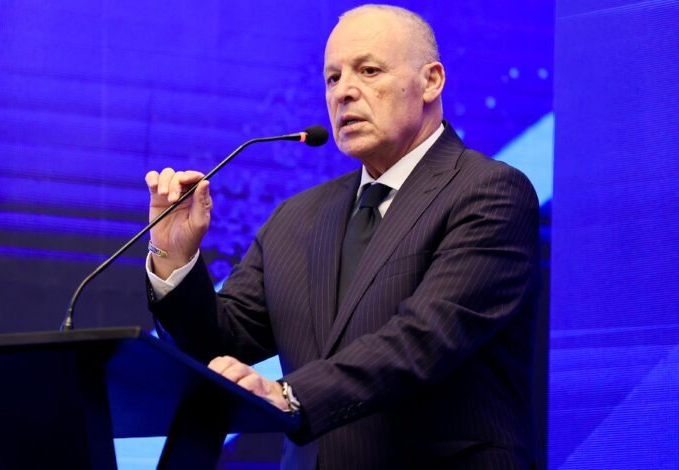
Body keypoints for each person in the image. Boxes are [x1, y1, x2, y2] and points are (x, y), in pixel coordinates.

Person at [144, 4, 539, 469]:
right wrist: (175, 259)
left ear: (431, 81)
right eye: (332, 78)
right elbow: (221, 346)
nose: (344, 92)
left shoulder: (489, 192)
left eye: (368, 71)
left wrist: (291, 396)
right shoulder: (297, 218)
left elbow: (426, 337)